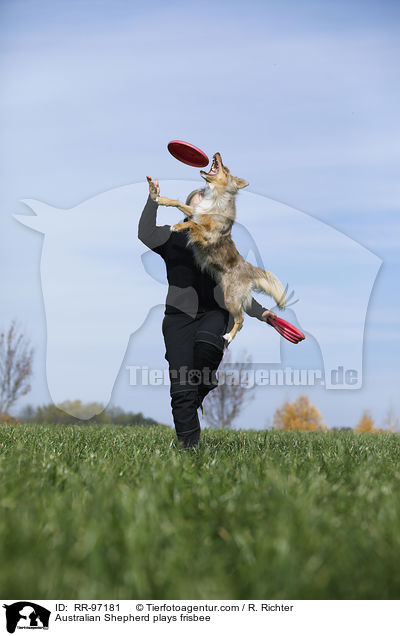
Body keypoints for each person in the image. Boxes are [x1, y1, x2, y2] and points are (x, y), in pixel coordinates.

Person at [138, 178, 276, 448]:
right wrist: (152, 201)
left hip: (215, 313)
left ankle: (198, 390)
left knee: (205, 348)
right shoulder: (173, 236)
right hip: (178, 318)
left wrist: (263, 314)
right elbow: (145, 233)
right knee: (181, 388)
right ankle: (189, 449)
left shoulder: (221, 244)